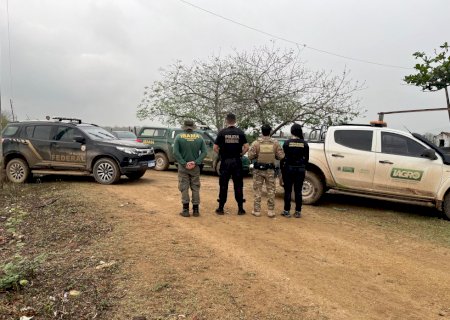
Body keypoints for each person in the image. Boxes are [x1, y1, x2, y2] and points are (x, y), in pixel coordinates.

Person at [213, 113, 249, 215]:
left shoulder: (222, 133)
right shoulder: (240, 132)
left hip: (225, 161)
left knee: (223, 185)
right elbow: (247, 146)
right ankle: (240, 209)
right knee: (238, 185)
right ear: (235, 121)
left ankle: (220, 208)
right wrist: (241, 154)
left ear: (226, 121)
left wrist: (221, 154)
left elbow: (215, 147)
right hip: (237, 161)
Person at [247, 124, 285, 218]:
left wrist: (257, 155)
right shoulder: (275, 143)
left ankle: (257, 211)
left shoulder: (256, 143)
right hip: (270, 170)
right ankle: (271, 211)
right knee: (271, 190)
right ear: (270, 131)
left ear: (262, 131)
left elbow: (250, 156)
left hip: (258, 170)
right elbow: (281, 156)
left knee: (257, 190)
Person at [173, 119, 207, 217]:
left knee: (184, 187)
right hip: (195, 167)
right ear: (193, 127)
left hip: (183, 167)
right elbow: (204, 152)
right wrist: (195, 162)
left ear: (184, 127)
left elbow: (175, 152)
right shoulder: (199, 137)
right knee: (195, 187)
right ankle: (196, 210)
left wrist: (184, 163)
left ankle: (185, 210)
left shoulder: (179, 137)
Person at [281, 123, 309, 218]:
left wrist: (282, 170)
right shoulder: (305, 144)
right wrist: (303, 167)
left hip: (288, 169)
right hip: (300, 170)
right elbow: (306, 159)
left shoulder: (287, 143)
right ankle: (298, 212)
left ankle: (286, 211)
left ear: (292, 131)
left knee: (288, 191)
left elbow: (282, 158)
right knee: (298, 191)